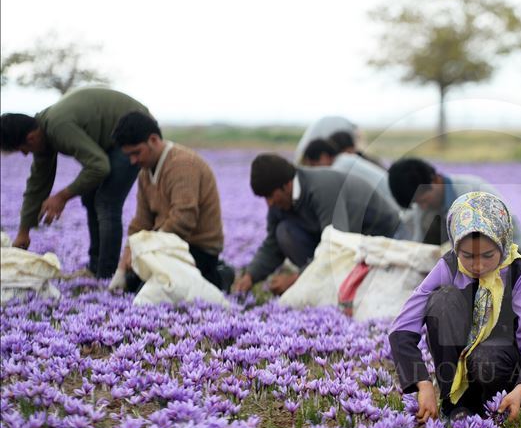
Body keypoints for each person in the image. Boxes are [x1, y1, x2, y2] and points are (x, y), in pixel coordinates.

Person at [389, 191, 521, 422]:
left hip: (501, 364)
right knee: (442, 300)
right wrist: (422, 383)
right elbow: (403, 325)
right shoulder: (450, 265)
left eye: (488, 255)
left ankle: (491, 406)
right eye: (467, 255)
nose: (477, 265)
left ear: (502, 242)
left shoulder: (518, 273)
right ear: (456, 246)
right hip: (456, 363)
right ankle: (455, 403)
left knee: (486, 358)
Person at [0, 88, 150, 278]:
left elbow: (99, 167)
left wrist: (62, 196)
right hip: (111, 140)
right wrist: (24, 231)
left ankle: (106, 274)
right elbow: (37, 185)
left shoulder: (58, 128)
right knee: (89, 196)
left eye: (23, 149)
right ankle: (96, 268)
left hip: (136, 131)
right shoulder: (42, 133)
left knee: (106, 201)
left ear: (30, 138)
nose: (25, 154)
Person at [232, 153, 400, 295]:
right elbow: (272, 245)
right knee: (283, 231)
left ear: (287, 185)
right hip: (344, 239)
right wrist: (251, 275)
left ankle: (326, 283)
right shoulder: (279, 203)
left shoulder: (322, 189)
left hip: (380, 235)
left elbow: (338, 247)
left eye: (270, 196)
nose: (268, 204)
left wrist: (297, 280)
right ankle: (321, 279)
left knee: (337, 257)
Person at [111, 111, 232, 291]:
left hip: (195, 247)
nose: (133, 160)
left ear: (153, 140)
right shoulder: (145, 173)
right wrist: (122, 267)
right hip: (165, 245)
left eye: (137, 153)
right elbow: (140, 222)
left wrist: (145, 249)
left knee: (153, 291)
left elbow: (183, 220)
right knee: (131, 286)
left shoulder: (182, 165)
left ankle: (220, 276)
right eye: (129, 155)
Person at [388, 157, 521, 253]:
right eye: (417, 203)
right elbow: (418, 248)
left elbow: (498, 244)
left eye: (424, 200)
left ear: (436, 180)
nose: (422, 207)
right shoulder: (423, 207)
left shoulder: (473, 194)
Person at [302, 138, 400, 213]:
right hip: (395, 202)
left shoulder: (339, 167)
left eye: (314, 164)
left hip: (394, 208)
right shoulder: (345, 159)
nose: (315, 170)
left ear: (324, 157)